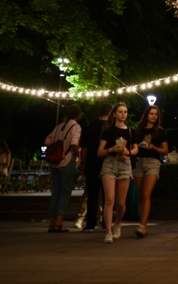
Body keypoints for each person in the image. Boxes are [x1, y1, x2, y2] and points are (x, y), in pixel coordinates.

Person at [98, 102, 137, 244]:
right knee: (109, 199)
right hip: (110, 163)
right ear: (114, 114)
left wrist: (129, 152)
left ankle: (118, 223)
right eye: (120, 111)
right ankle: (108, 231)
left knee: (121, 203)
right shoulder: (108, 131)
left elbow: (135, 149)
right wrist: (111, 149)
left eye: (125, 112)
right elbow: (100, 152)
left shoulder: (131, 131)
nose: (123, 114)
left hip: (125, 164)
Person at [44, 104, 82, 233]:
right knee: (65, 192)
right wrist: (78, 154)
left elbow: (47, 141)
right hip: (66, 161)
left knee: (55, 192)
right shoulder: (75, 127)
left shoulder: (59, 126)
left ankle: (52, 222)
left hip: (54, 162)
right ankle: (59, 221)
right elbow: (74, 144)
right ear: (78, 115)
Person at [133, 105, 169, 237]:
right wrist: (139, 145)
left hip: (152, 162)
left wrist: (153, 147)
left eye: (156, 114)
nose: (153, 116)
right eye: (151, 114)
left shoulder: (160, 132)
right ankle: (144, 223)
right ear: (146, 115)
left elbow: (165, 151)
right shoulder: (138, 130)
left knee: (146, 194)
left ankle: (142, 224)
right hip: (139, 161)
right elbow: (132, 146)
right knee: (140, 194)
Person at [77, 102, 111, 232]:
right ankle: (105, 221)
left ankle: (90, 222)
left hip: (92, 163)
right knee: (108, 194)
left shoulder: (89, 128)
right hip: (107, 163)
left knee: (92, 194)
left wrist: (83, 164)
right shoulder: (110, 128)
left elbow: (84, 149)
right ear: (110, 113)